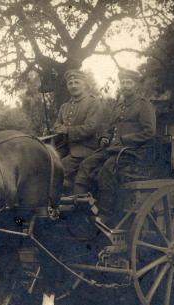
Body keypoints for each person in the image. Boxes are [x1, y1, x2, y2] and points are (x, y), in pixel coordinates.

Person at [72, 68, 156, 225]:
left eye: (129, 82)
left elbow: (150, 132)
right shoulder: (118, 106)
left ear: (136, 85)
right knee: (86, 164)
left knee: (107, 170)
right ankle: (79, 204)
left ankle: (105, 214)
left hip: (133, 152)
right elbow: (110, 128)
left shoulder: (144, 105)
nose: (125, 85)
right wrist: (105, 137)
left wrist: (126, 139)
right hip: (113, 149)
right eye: (123, 82)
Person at [53, 69, 103, 193]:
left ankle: (73, 202)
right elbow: (57, 124)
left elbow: (91, 127)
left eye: (77, 82)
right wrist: (57, 128)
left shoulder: (93, 102)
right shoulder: (65, 106)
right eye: (70, 83)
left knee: (56, 169)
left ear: (84, 84)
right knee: (44, 163)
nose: (73, 86)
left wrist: (67, 130)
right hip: (66, 149)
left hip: (85, 150)